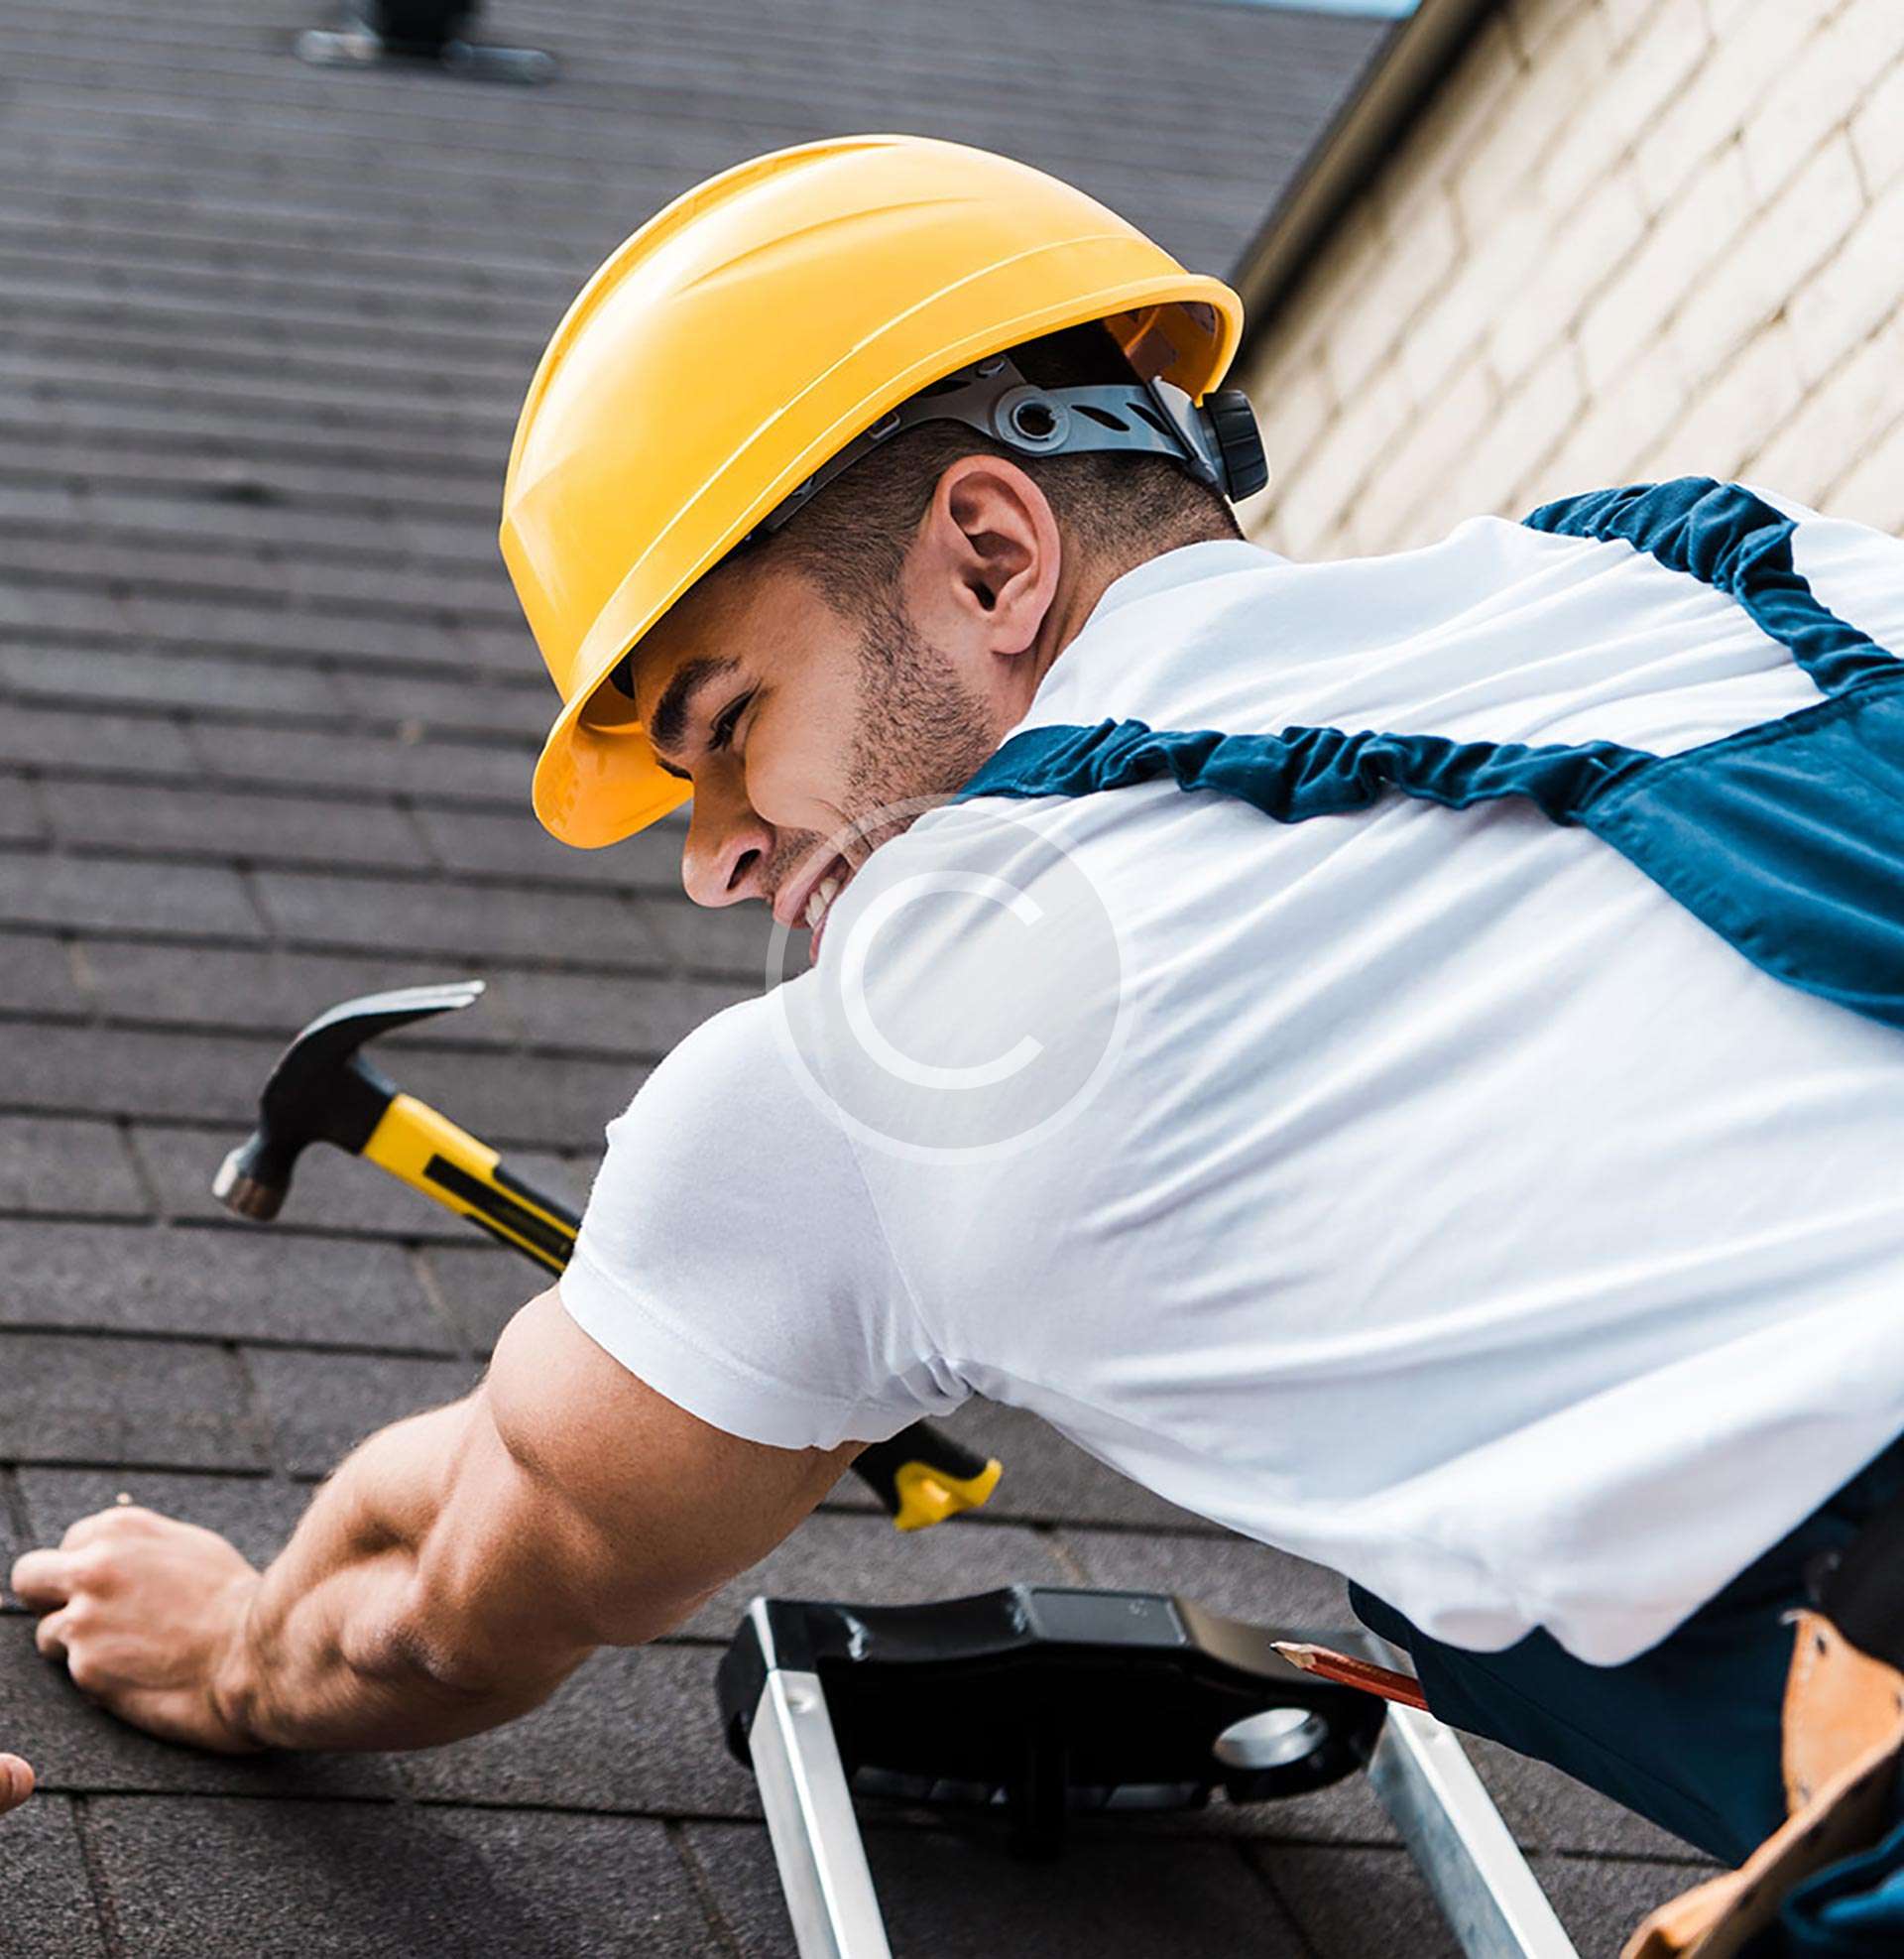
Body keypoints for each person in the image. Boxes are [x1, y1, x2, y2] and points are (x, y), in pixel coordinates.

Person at [10, 136, 1904, 1953]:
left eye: (726, 720)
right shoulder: (1766, 581)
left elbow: (451, 1594)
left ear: (993, 555)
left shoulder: (905, 1050)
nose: (714, 859)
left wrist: (244, 1646)